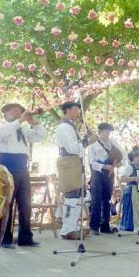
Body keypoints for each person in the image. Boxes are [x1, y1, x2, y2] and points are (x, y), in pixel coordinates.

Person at [0, 103, 46, 248]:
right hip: (7, 166)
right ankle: (4, 239)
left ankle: (25, 238)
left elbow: (41, 135)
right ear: (5, 113)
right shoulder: (1, 126)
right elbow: (3, 134)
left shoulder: (23, 129)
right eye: (14, 110)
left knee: (25, 204)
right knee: (7, 204)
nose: (18, 113)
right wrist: (20, 120)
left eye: (20, 111)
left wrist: (33, 123)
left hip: (23, 167)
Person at [56, 101, 91, 240]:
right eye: (76, 109)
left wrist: (85, 140)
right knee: (72, 195)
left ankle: (73, 227)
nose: (78, 112)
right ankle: (67, 230)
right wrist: (87, 142)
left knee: (78, 195)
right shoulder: (64, 127)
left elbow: (76, 147)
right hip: (69, 161)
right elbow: (72, 148)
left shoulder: (71, 126)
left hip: (74, 162)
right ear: (68, 110)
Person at [88, 123, 124, 235]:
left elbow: (122, 155)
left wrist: (117, 164)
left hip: (109, 174)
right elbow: (91, 162)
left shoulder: (112, 143)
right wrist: (103, 166)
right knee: (96, 201)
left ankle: (105, 226)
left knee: (107, 200)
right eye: (106, 131)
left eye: (109, 132)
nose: (108, 134)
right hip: (98, 174)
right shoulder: (93, 145)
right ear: (100, 132)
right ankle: (94, 227)